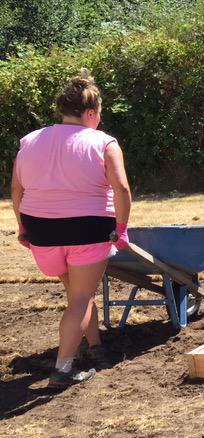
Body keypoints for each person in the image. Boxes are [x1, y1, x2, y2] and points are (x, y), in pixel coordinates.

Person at [11, 69, 132, 389]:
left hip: (41, 233)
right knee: (81, 296)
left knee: (78, 294)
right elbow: (121, 189)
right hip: (87, 231)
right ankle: (63, 369)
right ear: (91, 113)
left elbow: (16, 192)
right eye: (99, 114)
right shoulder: (104, 143)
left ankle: (95, 348)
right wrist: (121, 229)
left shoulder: (30, 141)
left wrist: (23, 228)